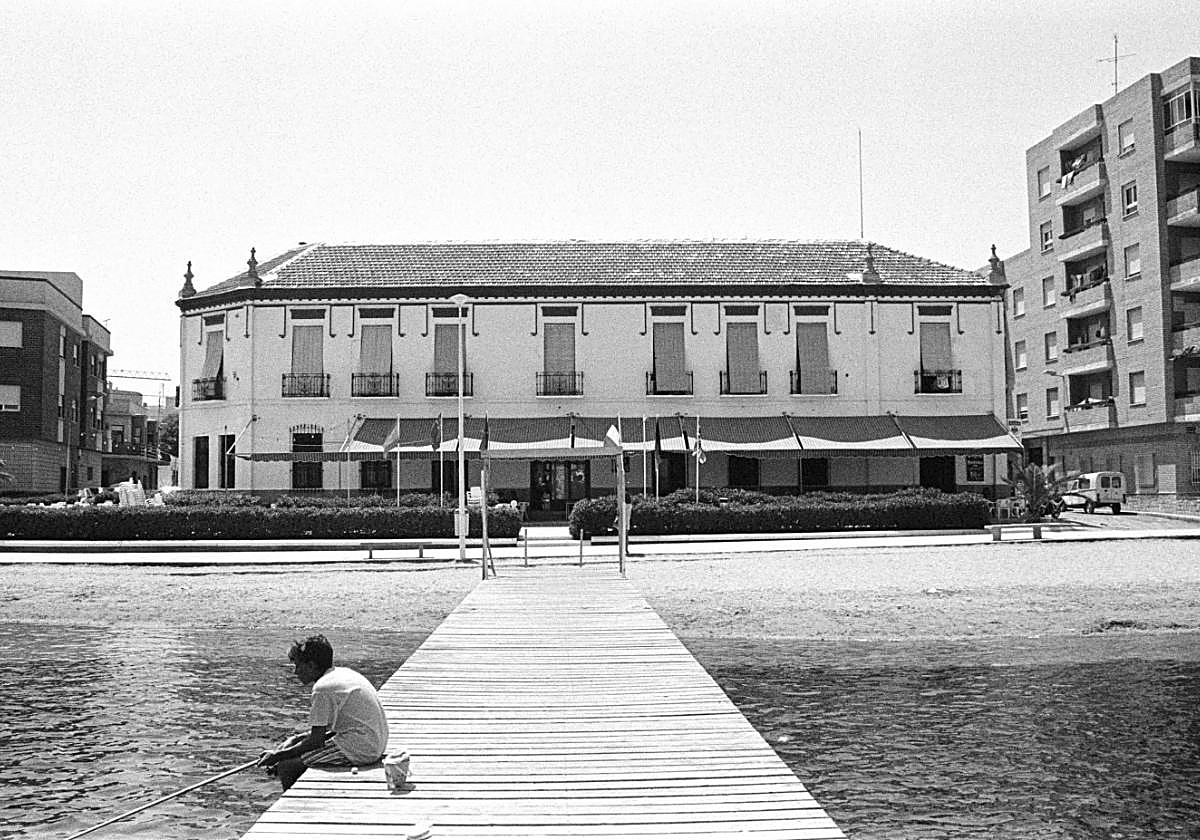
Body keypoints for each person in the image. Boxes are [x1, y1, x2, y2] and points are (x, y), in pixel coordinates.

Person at [257, 634, 389, 790]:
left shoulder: (322, 689)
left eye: (298, 666)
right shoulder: (343, 673)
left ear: (311, 666)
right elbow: (325, 732)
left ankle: (295, 806)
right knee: (293, 748)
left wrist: (277, 756)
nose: (296, 672)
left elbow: (316, 741)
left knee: (287, 766)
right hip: (376, 742)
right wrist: (295, 740)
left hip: (362, 749)